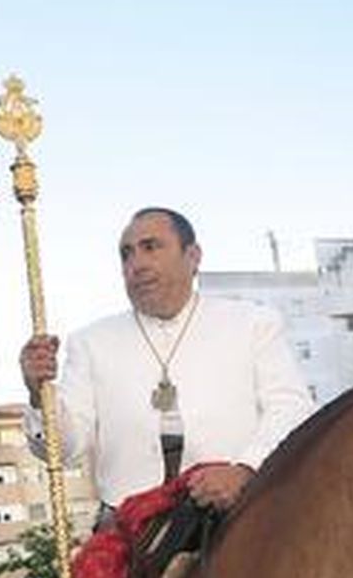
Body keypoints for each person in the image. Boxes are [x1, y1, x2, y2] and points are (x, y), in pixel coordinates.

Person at [18, 206, 313, 513]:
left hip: (240, 512)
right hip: (132, 530)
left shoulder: (252, 324)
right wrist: (40, 396)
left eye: (151, 247)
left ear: (193, 256)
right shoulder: (91, 343)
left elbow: (291, 408)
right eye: (127, 254)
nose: (137, 264)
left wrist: (246, 469)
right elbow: (64, 449)